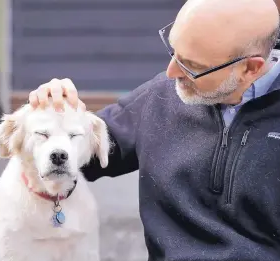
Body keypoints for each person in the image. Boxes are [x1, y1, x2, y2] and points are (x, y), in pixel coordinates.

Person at [27, 0, 280, 260]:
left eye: (193, 66)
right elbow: (84, 152)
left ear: (251, 68)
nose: (171, 74)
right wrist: (56, 118)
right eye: (174, 52)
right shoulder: (159, 96)